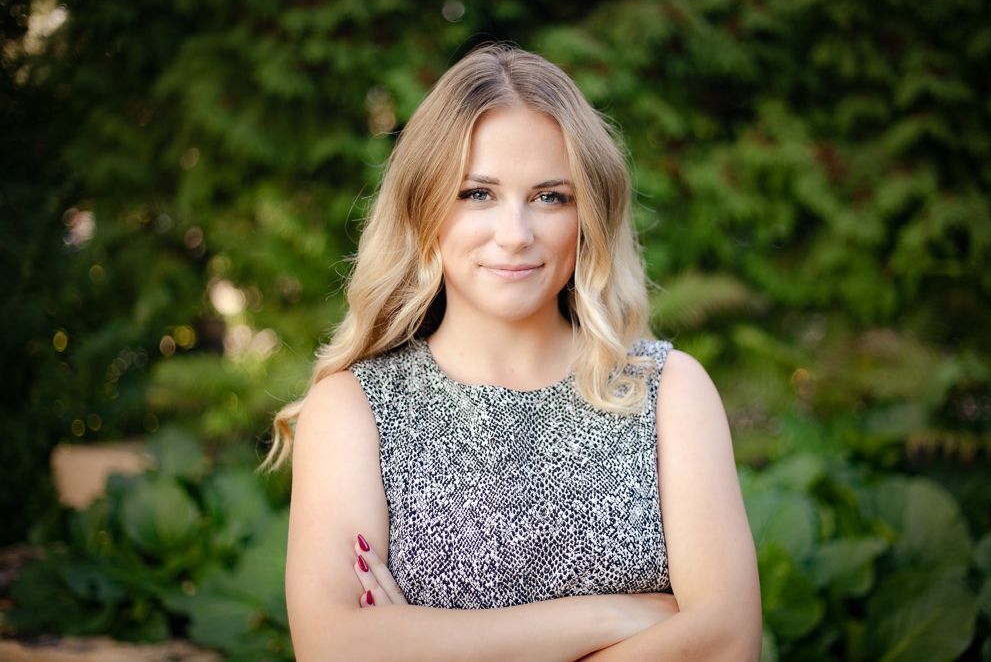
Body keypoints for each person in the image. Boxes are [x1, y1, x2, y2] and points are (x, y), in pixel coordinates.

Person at [262, 43, 761, 661]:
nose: (516, 234)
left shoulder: (668, 391)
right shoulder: (355, 408)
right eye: (477, 194)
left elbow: (727, 644)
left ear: (589, 216)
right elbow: (338, 650)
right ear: (425, 208)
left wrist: (426, 645)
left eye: (551, 196)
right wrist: (615, 616)